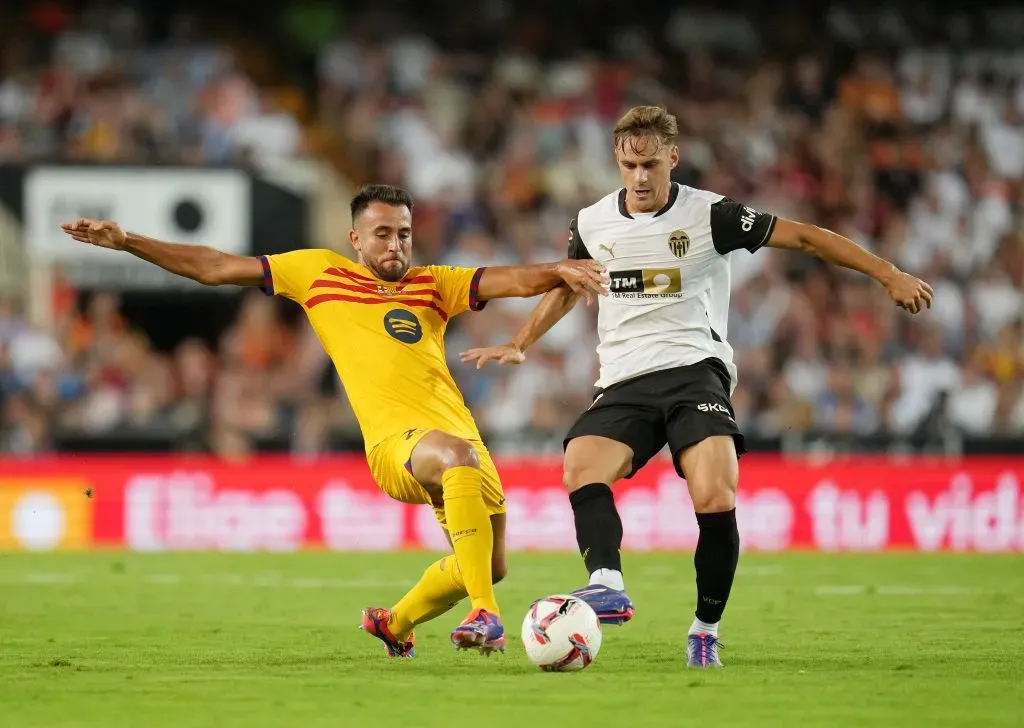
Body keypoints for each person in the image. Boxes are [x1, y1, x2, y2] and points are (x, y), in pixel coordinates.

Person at [461, 106, 933, 667]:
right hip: (625, 378)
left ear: (673, 159)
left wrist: (888, 274)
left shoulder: (712, 216)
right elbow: (570, 283)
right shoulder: (591, 222)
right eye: (630, 164)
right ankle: (607, 582)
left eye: (651, 165)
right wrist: (522, 340)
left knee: (714, 494)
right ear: (617, 159)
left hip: (694, 370)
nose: (639, 177)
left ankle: (706, 627)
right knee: (581, 465)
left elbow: (805, 239)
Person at [61, 183, 608, 658]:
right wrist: (128, 241)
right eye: (383, 234)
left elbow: (510, 280)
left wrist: (556, 268)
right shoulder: (317, 273)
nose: (395, 245)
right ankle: (486, 618)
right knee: (463, 493)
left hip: (459, 438)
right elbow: (214, 266)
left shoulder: (433, 284)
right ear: (355, 239)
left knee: (489, 564)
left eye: (404, 234)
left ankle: (393, 625)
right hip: (396, 445)